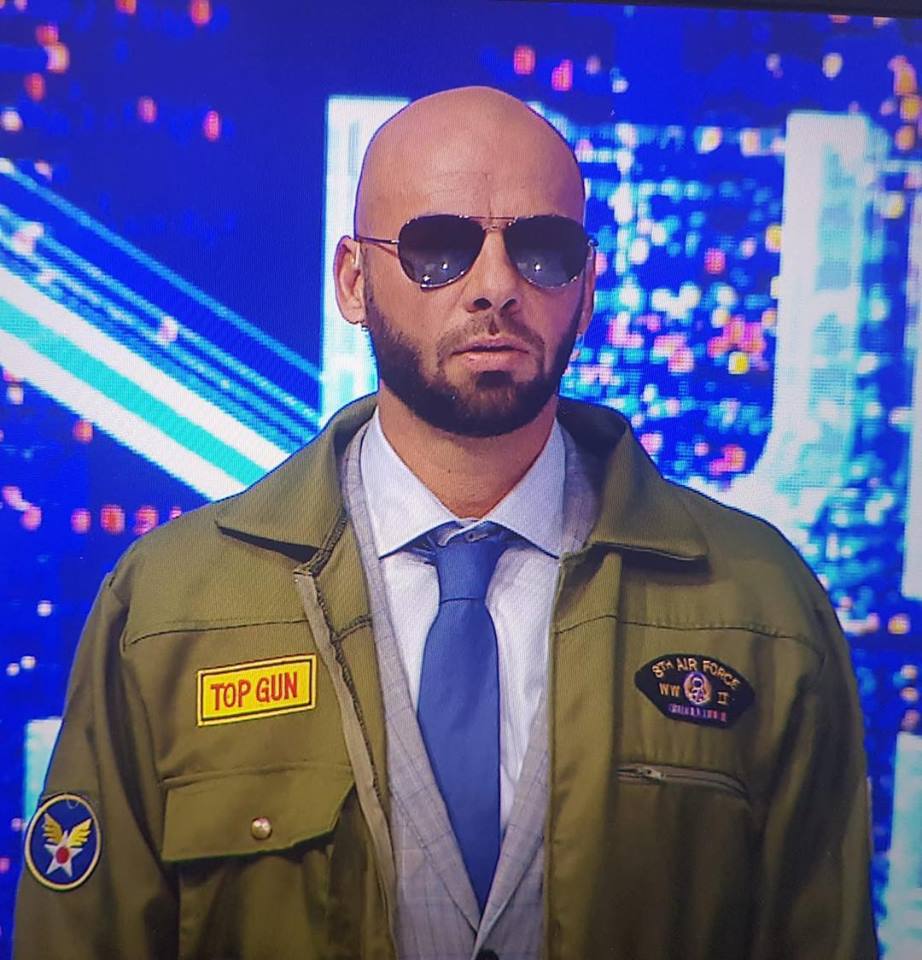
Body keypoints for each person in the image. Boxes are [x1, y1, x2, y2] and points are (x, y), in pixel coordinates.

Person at [14, 86, 877, 960]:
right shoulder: (171, 610)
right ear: (354, 281)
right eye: (438, 249)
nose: (496, 287)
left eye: (541, 250)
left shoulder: (756, 606)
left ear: (586, 290)